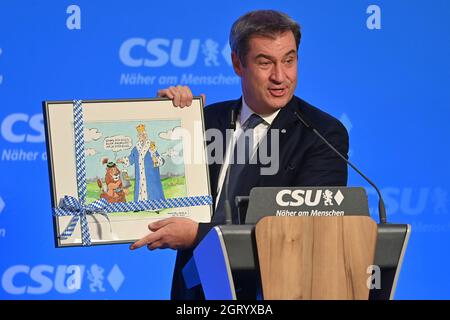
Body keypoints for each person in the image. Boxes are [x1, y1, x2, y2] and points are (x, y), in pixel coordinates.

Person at [129, 10, 349, 299]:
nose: (280, 76)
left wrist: (198, 235)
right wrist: (163, 122)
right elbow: (165, 188)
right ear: (237, 63)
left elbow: (300, 233)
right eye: (265, 62)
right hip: (195, 292)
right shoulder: (205, 121)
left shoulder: (321, 133)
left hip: (269, 293)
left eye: (289, 60)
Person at [118, 124, 165, 202]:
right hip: (140, 174)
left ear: (145, 135)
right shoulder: (136, 148)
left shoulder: (151, 146)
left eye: (141, 135)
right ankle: (139, 205)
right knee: (139, 187)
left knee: (152, 188)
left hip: (150, 174)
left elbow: (158, 158)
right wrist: (123, 160)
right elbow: (131, 158)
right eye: (139, 135)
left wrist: (155, 159)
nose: (139, 136)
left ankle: (154, 206)